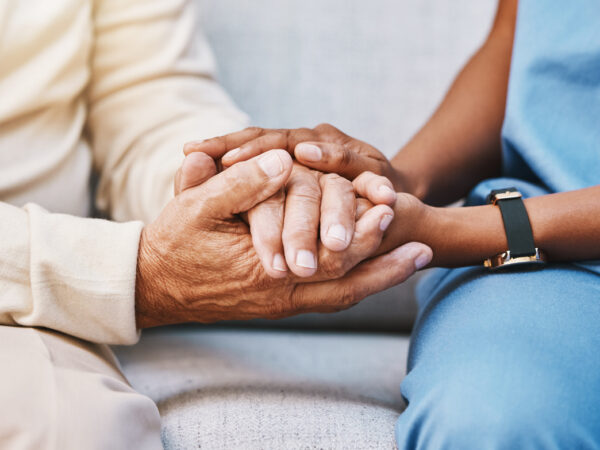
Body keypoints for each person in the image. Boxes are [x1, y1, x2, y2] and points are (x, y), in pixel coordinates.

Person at [0, 1, 431, 448]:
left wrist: (237, 186)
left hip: (36, 322)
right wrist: (130, 273)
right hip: (50, 287)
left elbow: (148, 103)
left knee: (75, 431)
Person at [189, 0, 600, 447]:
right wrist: (397, 181)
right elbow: (518, 41)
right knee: (492, 421)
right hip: (556, 276)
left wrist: (455, 232)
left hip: (518, 230)